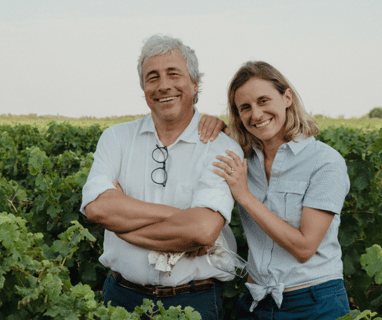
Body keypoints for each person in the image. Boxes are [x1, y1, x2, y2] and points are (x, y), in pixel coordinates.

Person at [81, 34, 243, 320]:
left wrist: (123, 226)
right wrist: (181, 217)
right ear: (143, 87)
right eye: (152, 77)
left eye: (173, 74)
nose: (163, 85)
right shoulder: (116, 138)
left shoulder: (222, 147)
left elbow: (202, 231)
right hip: (121, 298)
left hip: (194, 303)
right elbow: (97, 207)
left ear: (195, 83)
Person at [212, 61, 350, 319]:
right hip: (255, 302)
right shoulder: (243, 159)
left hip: (314, 303)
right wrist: (210, 124)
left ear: (287, 97)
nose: (256, 114)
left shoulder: (324, 162)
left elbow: (304, 247)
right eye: (245, 107)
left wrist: (244, 195)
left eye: (263, 100)